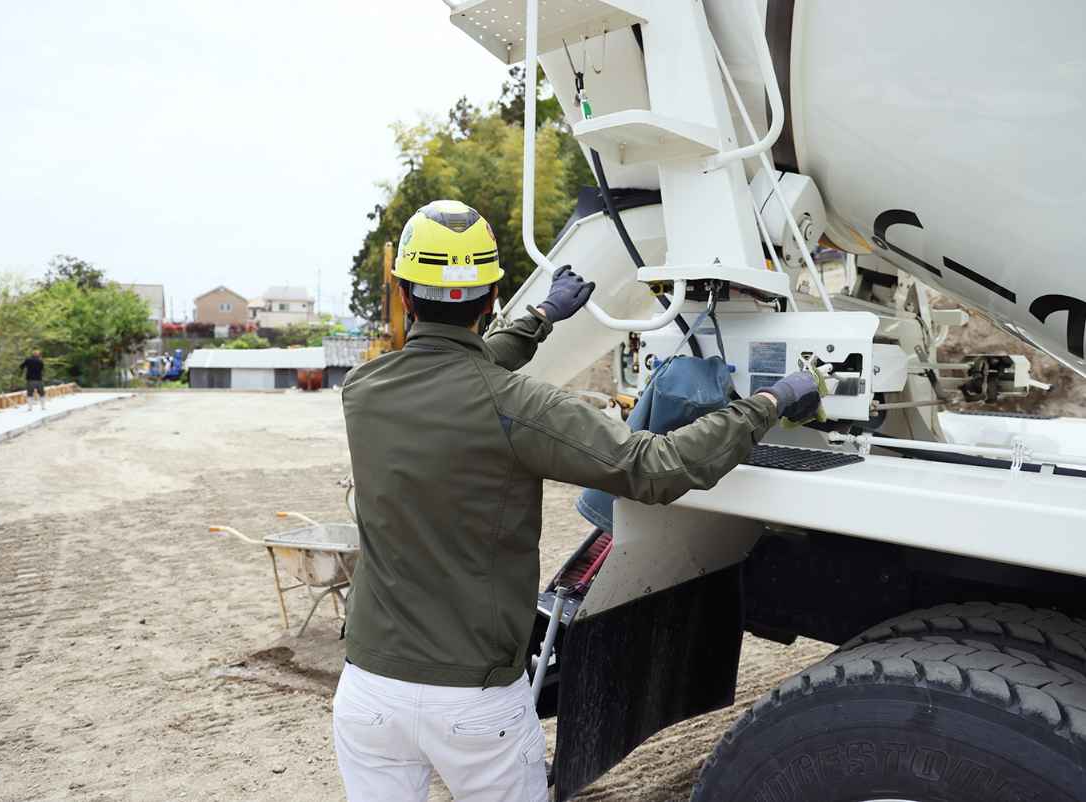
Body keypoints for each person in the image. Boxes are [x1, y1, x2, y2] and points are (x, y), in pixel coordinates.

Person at [334, 200, 821, 802]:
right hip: (475, 705)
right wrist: (769, 403)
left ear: (405, 292)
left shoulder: (363, 391)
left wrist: (540, 318)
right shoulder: (518, 407)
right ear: (490, 298)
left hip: (368, 692)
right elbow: (656, 466)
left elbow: (449, 367)